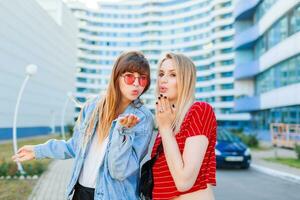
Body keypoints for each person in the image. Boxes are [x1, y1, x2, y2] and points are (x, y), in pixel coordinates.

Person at [12, 51, 154, 200]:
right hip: (81, 192)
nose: (137, 84)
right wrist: (38, 151)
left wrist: (123, 131)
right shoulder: (93, 107)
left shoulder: (142, 119)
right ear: (116, 77)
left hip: (115, 196)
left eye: (143, 79)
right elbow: (75, 146)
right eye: (130, 77)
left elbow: (119, 171)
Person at [152, 52, 217, 200]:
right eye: (161, 74)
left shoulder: (199, 110)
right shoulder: (168, 121)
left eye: (173, 74)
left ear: (186, 79)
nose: (163, 79)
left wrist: (165, 128)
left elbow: (183, 182)